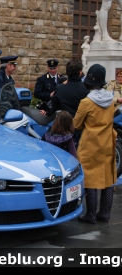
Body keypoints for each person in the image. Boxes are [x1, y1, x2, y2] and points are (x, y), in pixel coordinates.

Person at [73, 63, 117, 224]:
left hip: (91, 144)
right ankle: (104, 213)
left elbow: (77, 124)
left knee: (90, 179)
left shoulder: (87, 102)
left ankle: (91, 214)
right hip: (107, 142)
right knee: (108, 179)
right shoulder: (111, 99)